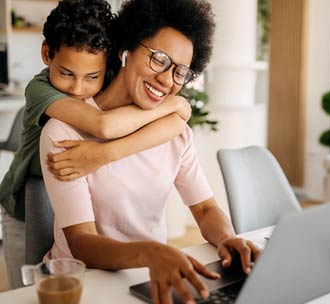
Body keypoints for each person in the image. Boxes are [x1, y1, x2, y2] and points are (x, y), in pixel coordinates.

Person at [40, 0, 260, 303]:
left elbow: (205, 209)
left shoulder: (174, 132)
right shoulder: (63, 131)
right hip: (83, 285)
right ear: (125, 50)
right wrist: (151, 251)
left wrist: (227, 238)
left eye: (180, 71)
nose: (167, 80)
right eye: (159, 59)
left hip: (149, 275)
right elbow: (81, 243)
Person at [0, 0, 191, 289]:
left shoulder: (107, 81)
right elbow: (104, 126)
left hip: (76, 192)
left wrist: (179, 110)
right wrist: (174, 104)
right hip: (26, 206)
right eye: (66, 73)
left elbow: (178, 124)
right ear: (46, 54)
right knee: (28, 290)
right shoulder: (40, 89)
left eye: (92, 77)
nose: (78, 90)